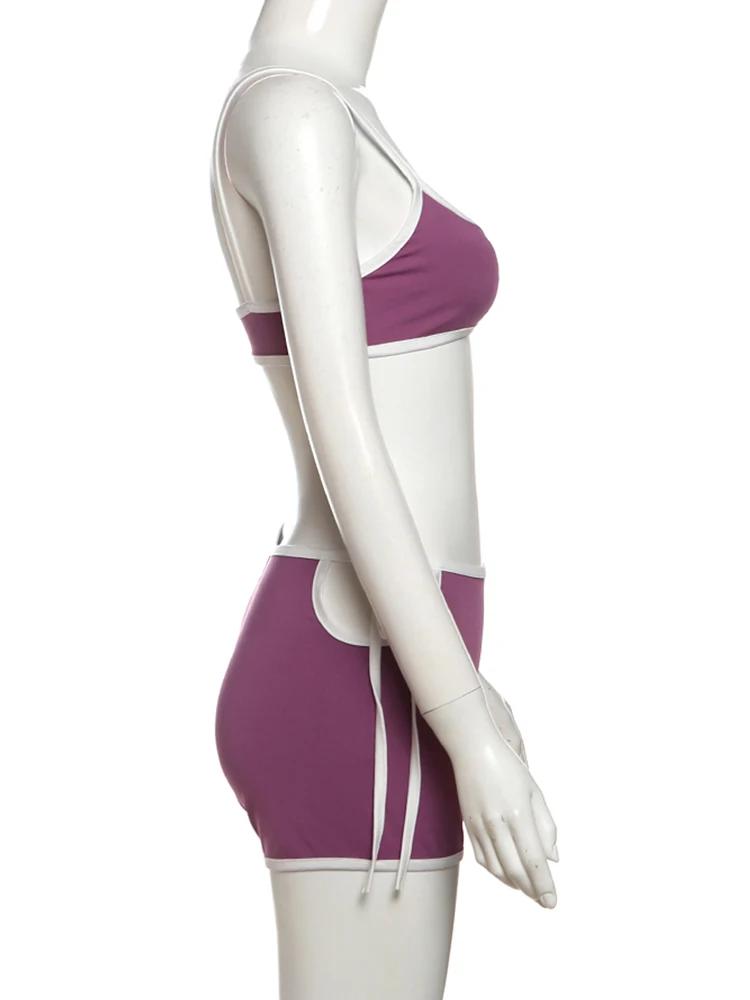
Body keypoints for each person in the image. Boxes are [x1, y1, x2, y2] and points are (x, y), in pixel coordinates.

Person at [210, 1, 559, 995]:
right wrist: (465, 724)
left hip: (400, 656)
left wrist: (462, 690)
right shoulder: (291, 112)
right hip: (357, 669)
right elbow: (345, 432)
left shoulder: (330, 103)